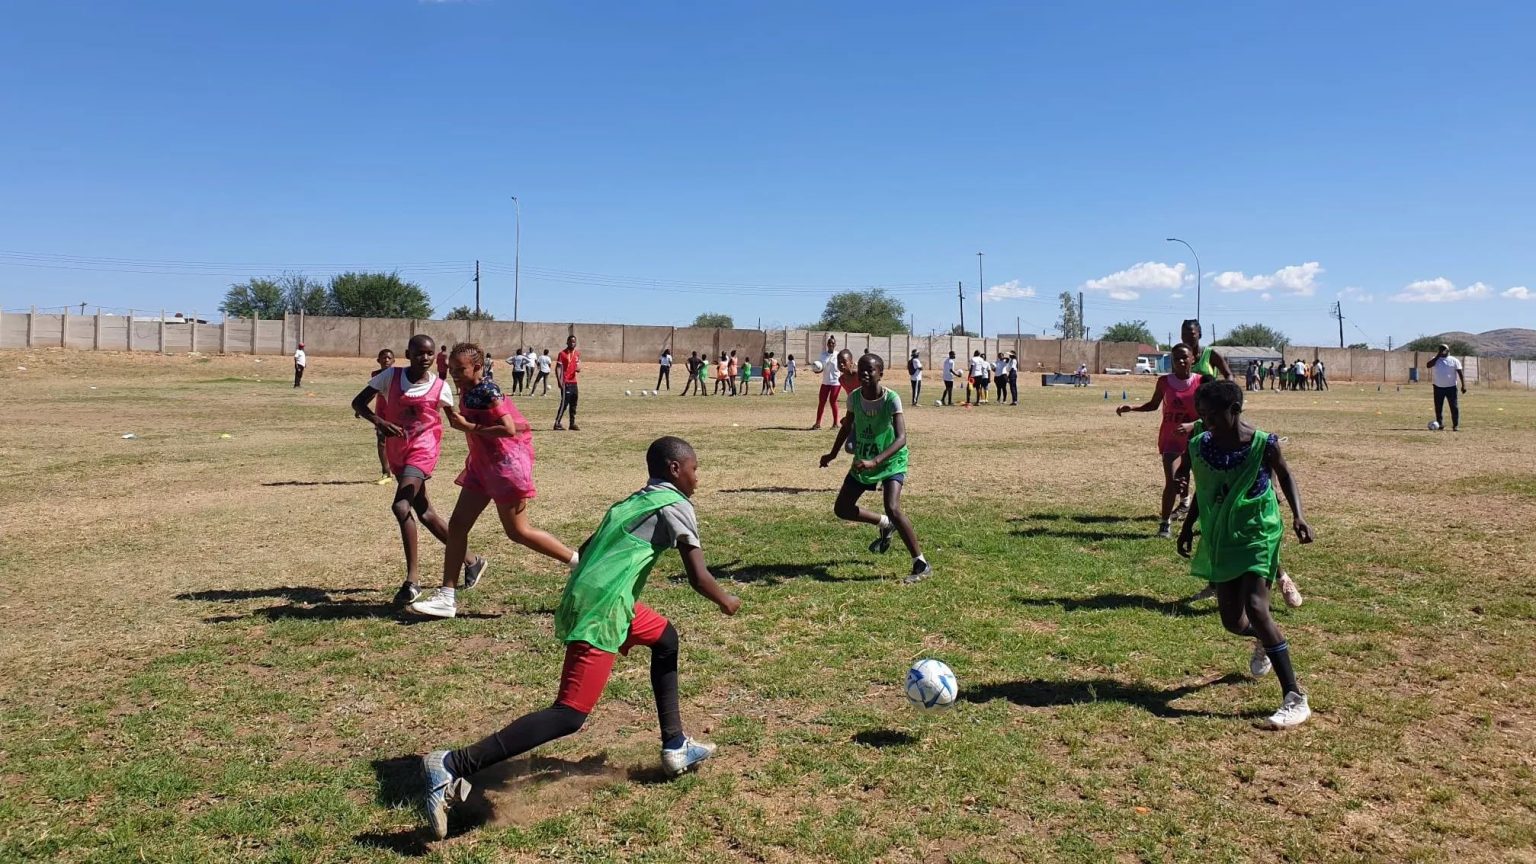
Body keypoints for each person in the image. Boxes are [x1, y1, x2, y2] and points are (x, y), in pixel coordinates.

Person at [416, 436, 740, 840]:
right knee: (570, 714)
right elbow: (699, 576)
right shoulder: (677, 505)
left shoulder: (633, 501)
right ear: (676, 469)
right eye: (695, 467)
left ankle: (675, 746)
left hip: (599, 597)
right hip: (603, 608)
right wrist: (726, 600)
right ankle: (452, 764)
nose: (698, 475)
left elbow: (587, 548)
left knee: (665, 638)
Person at [1176, 379, 1315, 729]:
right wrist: (1188, 524)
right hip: (1222, 534)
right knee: (1233, 622)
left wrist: (1298, 516)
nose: (1205, 422)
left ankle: (1294, 697)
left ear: (1235, 410)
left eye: (1211, 415)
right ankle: (1264, 641)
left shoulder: (1263, 443)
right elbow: (1203, 488)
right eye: (1201, 414)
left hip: (1258, 530)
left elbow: (1285, 475)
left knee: (1257, 606)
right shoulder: (1201, 445)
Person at [407, 343, 578, 619]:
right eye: (451, 370)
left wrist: (469, 426)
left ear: (477, 367)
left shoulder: (488, 389)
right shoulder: (467, 390)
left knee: (518, 532)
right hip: (481, 468)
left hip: (504, 467)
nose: (455, 374)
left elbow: (508, 428)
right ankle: (447, 597)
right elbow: (463, 419)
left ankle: (577, 563)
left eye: (460, 369)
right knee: (458, 525)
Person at [350, 334, 484, 606]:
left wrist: (482, 432)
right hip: (397, 450)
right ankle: (472, 561)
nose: (425, 358)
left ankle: (412, 583)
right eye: (419, 353)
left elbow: (455, 420)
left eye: (429, 353)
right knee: (423, 512)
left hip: (423, 449)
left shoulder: (440, 386)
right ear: (408, 353)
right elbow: (358, 403)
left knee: (401, 506)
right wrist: (379, 421)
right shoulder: (390, 377)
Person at [819, 353, 931, 583]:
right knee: (842, 508)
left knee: (892, 506)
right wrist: (832, 453)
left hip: (891, 460)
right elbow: (846, 427)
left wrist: (876, 461)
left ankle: (920, 563)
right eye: (861, 370)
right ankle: (884, 524)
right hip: (864, 459)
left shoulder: (891, 399)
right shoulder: (854, 398)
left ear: (881, 373)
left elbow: (901, 438)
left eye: (870, 370)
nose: (865, 374)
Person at [1117, 344, 1201, 538]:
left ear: (1193, 359)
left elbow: (1210, 415)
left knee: (1204, 483)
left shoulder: (1201, 382)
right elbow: (1153, 405)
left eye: (1184, 357)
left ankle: (1204, 520)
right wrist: (1133, 408)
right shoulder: (1164, 382)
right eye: (1176, 358)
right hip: (1171, 440)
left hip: (1196, 441)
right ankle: (1165, 523)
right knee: (1172, 481)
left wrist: (1191, 425)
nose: (1180, 361)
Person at [368, 348, 395, 484]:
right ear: (378, 360)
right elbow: (371, 392)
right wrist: (362, 407)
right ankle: (386, 472)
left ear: (394, 361)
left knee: (398, 440)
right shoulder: (375, 375)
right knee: (381, 440)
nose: (386, 360)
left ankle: (403, 469)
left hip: (394, 410)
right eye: (383, 358)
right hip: (381, 410)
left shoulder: (397, 375)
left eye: (389, 358)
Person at [1427, 343, 1466, 431]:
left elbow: (1460, 374)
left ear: (1448, 350)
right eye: (1440, 349)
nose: (1442, 351)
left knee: (1454, 407)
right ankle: (1440, 424)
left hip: (1451, 388)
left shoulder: (1454, 360)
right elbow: (1428, 365)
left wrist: (1463, 385)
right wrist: (1437, 356)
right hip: (1438, 387)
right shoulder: (1435, 359)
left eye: (1443, 349)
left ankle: (1455, 425)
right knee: (1438, 407)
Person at [553, 335, 581, 431]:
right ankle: (557, 423)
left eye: (574, 342)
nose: (572, 343)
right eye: (571, 342)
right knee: (564, 403)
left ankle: (572, 424)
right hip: (566, 382)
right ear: (567, 342)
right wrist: (559, 381)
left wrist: (578, 369)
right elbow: (557, 367)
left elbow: (578, 366)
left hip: (574, 382)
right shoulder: (562, 354)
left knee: (574, 403)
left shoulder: (577, 354)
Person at [813, 336, 841, 429]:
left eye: (833, 343)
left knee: (833, 402)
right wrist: (817, 370)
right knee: (821, 402)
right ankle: (817, 424)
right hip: (825, 382)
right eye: (829, 343)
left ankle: (836, 424)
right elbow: (820, 367)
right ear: (827, 344)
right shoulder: (823, 355)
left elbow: (842, 367)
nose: (831, 344)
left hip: (835, 382)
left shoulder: (838, 355)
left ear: (835, 344)